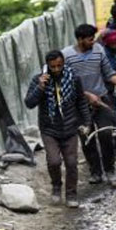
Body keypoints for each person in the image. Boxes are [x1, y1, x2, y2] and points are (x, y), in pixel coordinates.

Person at [25, 50, 91, 208]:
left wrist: (87, 122)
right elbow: (29, 103)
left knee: (72, 162)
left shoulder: (73, 78)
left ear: (63, 64)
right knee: (54, 161)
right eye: (52, 66)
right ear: (47, 66)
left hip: (70, 127)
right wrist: (40, 87)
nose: (56, 69)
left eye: (59, 66)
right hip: (49, 128)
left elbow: (81, 100)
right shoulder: (38, 80)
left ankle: (71, 194)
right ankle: (56, 186)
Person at [63, 24, 116, 185]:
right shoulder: (67, 56)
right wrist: (86, 95)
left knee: (106, 134)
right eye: (89, 40)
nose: (92, 42)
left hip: (102, 99)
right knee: (86, 138)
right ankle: (95, 171)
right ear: (80, 39)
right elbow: (65, 83)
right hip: (79, 105)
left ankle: (110, 170)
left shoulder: (98, 50)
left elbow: (108, 73)